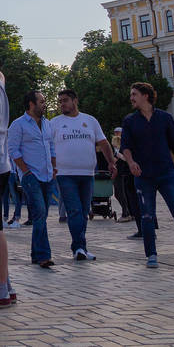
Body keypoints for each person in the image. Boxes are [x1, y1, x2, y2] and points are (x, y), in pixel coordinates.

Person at [120, 82, 174, 271]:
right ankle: (151, 255)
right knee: (147, 215)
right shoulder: (130, 121)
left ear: (146, 96)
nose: (131, 98)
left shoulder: (165, 118)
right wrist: (131, 162)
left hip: (167, 174)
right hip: (143, 176)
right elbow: (125, 147)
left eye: (134, 94)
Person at [50, 90, 116, 261]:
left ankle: (80, 247)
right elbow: (47, 146)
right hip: (65, 174)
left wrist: (111, 162)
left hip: (87, 173)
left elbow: (103, 142)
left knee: (85, 211)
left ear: (75, 101)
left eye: (65, 100)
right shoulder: (55, 123)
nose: (62, 104)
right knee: (74, 210)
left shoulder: (90, 121)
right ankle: (79, 247)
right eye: (60, 101)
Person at [8, 91, 56, 268]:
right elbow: (13, 150)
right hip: (31, 176)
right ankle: (44, 255)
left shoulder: (47, 124)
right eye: (41, 101)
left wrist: (54, 167)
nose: (44, 104)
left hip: (48, 175)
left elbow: (51, 147)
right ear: (31, 104)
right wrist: (26, 172)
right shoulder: (18, 125)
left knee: (40, 216)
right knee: (40, 212)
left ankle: (36, 254)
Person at [3, 158, 23, 228]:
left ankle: (17, 219)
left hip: (12, 173)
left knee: (16, 198)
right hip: (4, 173)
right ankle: (5, 219)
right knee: (5, 198)